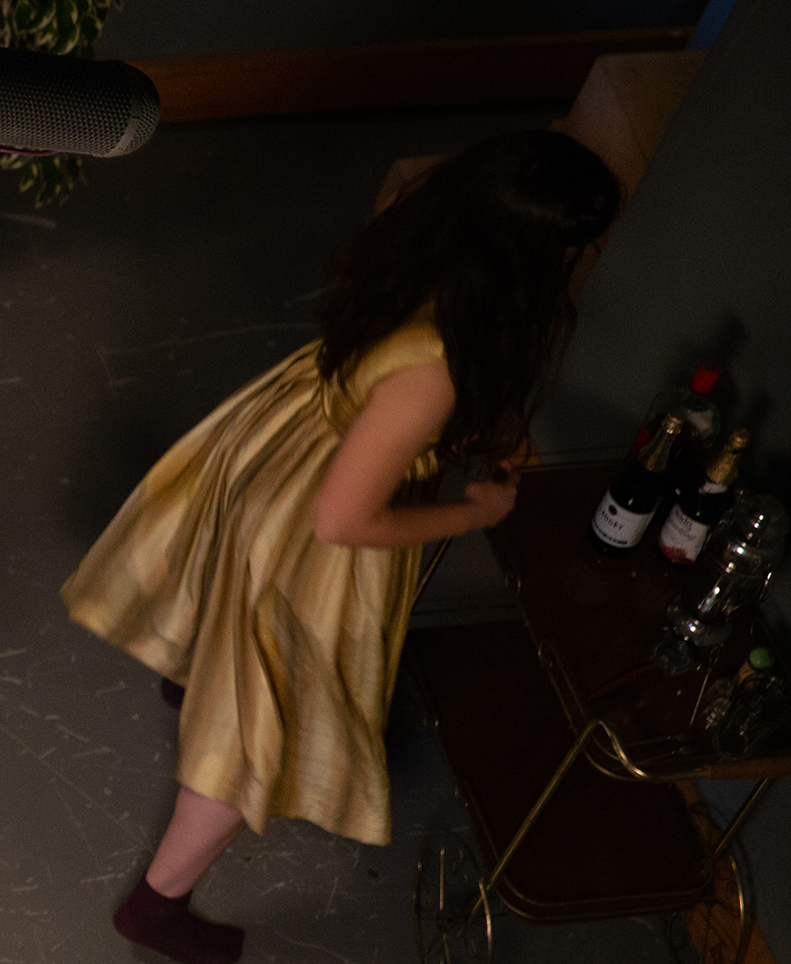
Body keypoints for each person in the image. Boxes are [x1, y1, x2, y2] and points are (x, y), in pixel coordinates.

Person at [61, 131, 620, 964]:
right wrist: (475, 514)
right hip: (313, 521)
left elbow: (382, 401)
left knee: (233, 616)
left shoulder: (419, 239)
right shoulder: (435, 372)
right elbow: (342, 523)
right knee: (262, 736)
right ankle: (157, 906)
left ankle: (198, 682)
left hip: (286, 446)